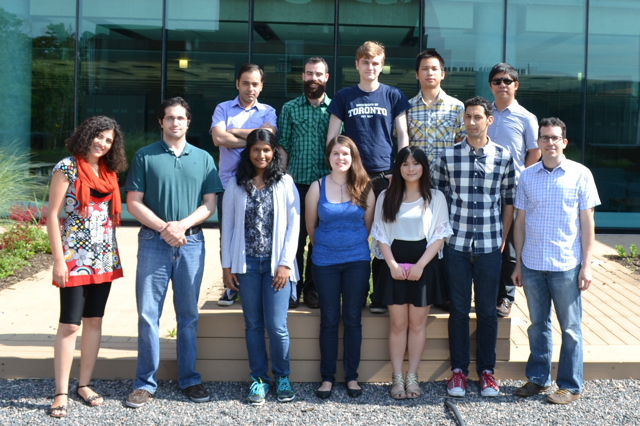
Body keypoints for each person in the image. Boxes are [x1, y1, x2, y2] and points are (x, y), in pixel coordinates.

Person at [125, 97, 222, 408]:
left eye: (181, 118)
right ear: (161, 122)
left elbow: (209, 204)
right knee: (147, 315)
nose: (175, 123)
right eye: (169, 118)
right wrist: (165, 229)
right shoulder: (144, 156)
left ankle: (189, 378)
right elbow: (133, 202)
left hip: (191, 244)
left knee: (188, 316)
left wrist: (181, 227)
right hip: (153, 243)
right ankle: (144, 383)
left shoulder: (204, 157)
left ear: (188, 122)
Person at [511, 118, 600, 404]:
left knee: (571, 328)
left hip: (566, 265)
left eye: (555, 137)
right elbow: (520, 222)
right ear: (537, 142)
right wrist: (517, 263)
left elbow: (588, 223)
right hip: (533, 264)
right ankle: (538, 379)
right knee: (538, 325)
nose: (550, 142)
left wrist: (587, 265)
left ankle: (570, 385)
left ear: (564, 142)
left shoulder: (581, 174)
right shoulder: (526, 176)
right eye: (545, 137)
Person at [432, 96, 516, 398]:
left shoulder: (504, 157)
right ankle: (458, 373)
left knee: (487, 312)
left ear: (488, 120)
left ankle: (486, 373)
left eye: (477, 117)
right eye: (467, 117)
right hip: (455, 244)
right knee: (457, 310)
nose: (471, 122)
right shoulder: (447, 157)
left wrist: (503, 238)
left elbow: (508, 201)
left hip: (490, 244)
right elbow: (437, 200)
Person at [46, 115, 127, 418]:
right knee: (69, 324)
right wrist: (58, 260)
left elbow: (107, 214)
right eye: (98, 137)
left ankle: (84, 384)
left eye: (108, 140)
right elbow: (53, 215)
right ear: (87, 134)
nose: (102, 143)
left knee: (94, 320)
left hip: (103, 256)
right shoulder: (66, 167)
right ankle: (60, 392)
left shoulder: (109, 171)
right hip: (73, 258)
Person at [326, 40, 411, 314]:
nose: (370, 67)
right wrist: (337, 170)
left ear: (381, 66)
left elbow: (403, 136)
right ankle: (357, 294)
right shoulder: (344, 96)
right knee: (357, 233)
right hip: (354, 176)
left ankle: (381, 297)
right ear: (357, 64)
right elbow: (332, 137)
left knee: (385, 235)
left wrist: (401, 170)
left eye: (375, 63)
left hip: (386, 175)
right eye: (365, 62)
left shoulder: (393, 95)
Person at [221, 129, 300, 405]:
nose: (261, 155)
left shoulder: (285, 182)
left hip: (276, 266)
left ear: (274, 151)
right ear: (249, 152)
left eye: (266, 150)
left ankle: (282, 377)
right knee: (253, 324)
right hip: (247, 265)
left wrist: (285, 263)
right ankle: (258, 379)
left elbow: (294, 227)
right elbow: (228, 226)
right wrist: (227, 266)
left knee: (277, 326)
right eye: (256, 150)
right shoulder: (236, 183)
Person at [371, 146, 452, 399]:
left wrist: (420, 265)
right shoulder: (386, 196)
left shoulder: (435, 197)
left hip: (424, 267)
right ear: (399, 167)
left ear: (423, 167)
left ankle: (413, 377)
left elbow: (440, 234)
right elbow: (379, 232)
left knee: (417, 324)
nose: (410, 168)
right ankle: (396, 378)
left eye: (415, 164)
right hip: (393, 265)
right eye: (405, 164)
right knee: (397, 324)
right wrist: (392, 265)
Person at [305, 136, 375, 399]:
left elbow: (368, 226)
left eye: (345, 154)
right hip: (325, 263)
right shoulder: (317, 187)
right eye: (335, 154)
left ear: (353, 157)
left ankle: (352, 377)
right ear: (329, 157)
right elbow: (311, 226)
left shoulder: (365, 186)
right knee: (329, 320)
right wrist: (329, 246)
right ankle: (326, 378)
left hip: (357, 261)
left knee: (353, 320)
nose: (340, 158)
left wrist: (350, 245)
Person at [211, 63, 277, 306]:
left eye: (255, 84)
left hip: (262, 182)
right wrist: (254, 138)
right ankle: (230, 286)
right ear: (237, 83)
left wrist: (235, 131)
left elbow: (268, 138)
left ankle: (253, 282)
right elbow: (218, 137)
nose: (250, 88)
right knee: (227, 235)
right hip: (230, 183)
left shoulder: (268, 111)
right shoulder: (223, 108)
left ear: (261, 86)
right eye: (246, 83)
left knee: (258, 234)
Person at [278, 56, 332, 309]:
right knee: (295, 239)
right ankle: (291, 290)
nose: (313, 78)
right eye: (309, 73)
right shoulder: (289, 108)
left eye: (318, 74)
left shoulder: (335, 109)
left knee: (319, 240)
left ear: (326, 78)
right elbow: (284, 147)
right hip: (295, 184)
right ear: (303, 76)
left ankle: (312, 290)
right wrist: (281, 182)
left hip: (324, 185)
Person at [486, 63, 540, 318]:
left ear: (515, 85)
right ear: (490, 86)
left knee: (507, 245)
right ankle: (485, 294)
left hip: (511, 191)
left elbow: (535, 151)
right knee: (483, 245)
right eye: (497, 81)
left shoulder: (526, 117)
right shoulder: (483, 113)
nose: (502, 85)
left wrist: (521, 177)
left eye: (507, 81)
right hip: (483, 189)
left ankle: (505, 297)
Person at [408, 50, 465, 164]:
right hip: (416, 175)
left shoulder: (457, 107)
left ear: (442, 74)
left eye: (434, 69)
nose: (430, 73)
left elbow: (461, 143)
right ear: (417, 74)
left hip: (446, 173)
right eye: (424, 69)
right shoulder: (407, 107)